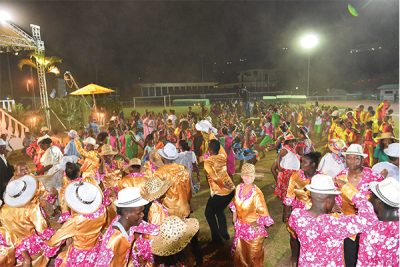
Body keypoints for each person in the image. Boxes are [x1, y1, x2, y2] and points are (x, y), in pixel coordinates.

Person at [288, 174, 377, 266]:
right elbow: (370, 218)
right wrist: (348, 189)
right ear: (329, 200)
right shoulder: (336, 224)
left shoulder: (296, 215)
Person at [334, 143, 384, 266]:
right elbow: (334, 197)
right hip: (347, 225)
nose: (352, 161)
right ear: (345, 159)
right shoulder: (340, 177)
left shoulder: (374, 176)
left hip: (369, 226)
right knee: (349, 256)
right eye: (349, 157)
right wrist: (334, 205)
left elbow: (383, 198)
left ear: (362, 159)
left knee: (367, 257)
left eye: (356, 158)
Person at [46, 181, 106, 266]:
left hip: (79, 254)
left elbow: (58, 237)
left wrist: (49, 244)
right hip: (95, 250)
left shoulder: (76, 220)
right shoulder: (102, 211)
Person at [95, 187, 157, 266]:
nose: (143, 215)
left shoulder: (127, 221)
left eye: (142, 211)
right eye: (139, 213)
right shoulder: (117, 239)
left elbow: (148, 228)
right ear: (126, 213)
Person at [0, 175, 54, 266]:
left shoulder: (3, 209)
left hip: (14, 245)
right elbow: (42, 229)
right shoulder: (32, 208)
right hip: (32, 245)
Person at [229, 163, 274, 266]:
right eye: (245, 175)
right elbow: (235, 203)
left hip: (252, 231)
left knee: (253, 257)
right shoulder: (238, 188)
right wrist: (234, 216)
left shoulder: (257, 193)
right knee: (241, 254)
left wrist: (254, 223)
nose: (248, 178)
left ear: (254, 177)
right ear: (241, 176)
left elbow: (264, 214)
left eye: (251, 175)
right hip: (240, 228)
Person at [283, 152, 322, 265]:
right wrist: (287, 213)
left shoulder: (321, 178)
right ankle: (294, 257)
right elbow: (289, 195)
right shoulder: (296, 176)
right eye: (301, 162)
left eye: (304, 162)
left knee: (312, 238)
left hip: (315, 213)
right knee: (294, 235)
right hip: (298, 212)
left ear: (313, 164)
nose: (301, 165)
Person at [357, 177, 399, 266]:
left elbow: (365, 263)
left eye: (371, 196)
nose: (369, 199)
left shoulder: (371, 231)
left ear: (378, 203)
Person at [204, 139, 235, 244]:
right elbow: (219, 148)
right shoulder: (223, 156)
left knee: (208, 213)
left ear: (209, 149)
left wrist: (222, 185)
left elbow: (214, 177)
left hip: (220, 193)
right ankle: (224, 233)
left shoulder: (208, 162)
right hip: (231, 190)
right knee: (219, 210)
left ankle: (217, 238)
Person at [274, 134, 300, 201]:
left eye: (294, 141)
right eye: (292, 141)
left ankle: (287, 199)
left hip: (293, 172)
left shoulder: (292, 149)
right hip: (286, 172)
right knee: (286, 187)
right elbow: (279, 156)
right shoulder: (285, 149)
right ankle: (285, 200)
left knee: (290, 186)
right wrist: (279, 166)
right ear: (288, 142)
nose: (294, 143)